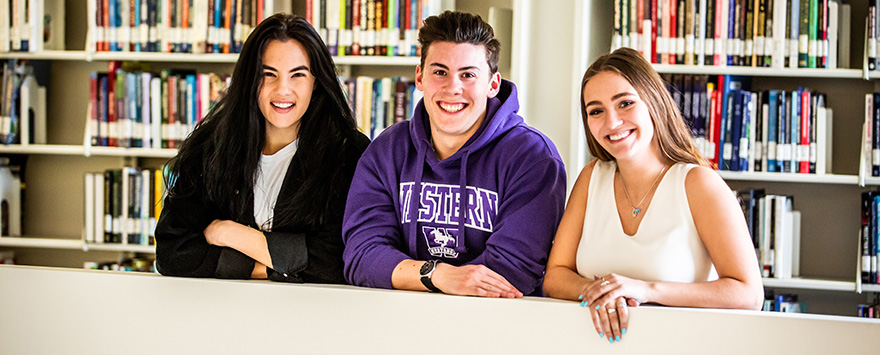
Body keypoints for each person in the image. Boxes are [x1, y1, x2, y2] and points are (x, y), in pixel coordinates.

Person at [542, 47, 764, 343]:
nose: (612, 123)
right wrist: (604, 293)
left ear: (654, 103)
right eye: (596, 111)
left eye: (625, 103)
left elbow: (748, 294)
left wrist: (644, 290)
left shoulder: (698, 183)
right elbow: (555, 276)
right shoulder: (591, 178)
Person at [342, 11, 566, 298]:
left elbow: (513, 271)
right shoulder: (387, 151)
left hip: (499, 328)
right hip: (400, 324)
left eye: (468, 75)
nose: (453, 88)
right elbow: (362, 255)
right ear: (420, 77)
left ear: (493, 84)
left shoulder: (532, 157)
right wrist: (436, 275)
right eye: (440, 72)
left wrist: (410, 275)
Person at [154, 14, 370, 283]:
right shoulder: (212, 145)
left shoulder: (348, 152)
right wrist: (280, 264)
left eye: (298, 75)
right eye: (268, 74)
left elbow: (336, 261)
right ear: (250, 80)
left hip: (310, 315)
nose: (283, 90)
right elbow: (172, 252)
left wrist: (230, 233)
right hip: (221, 312)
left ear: (316, 82)